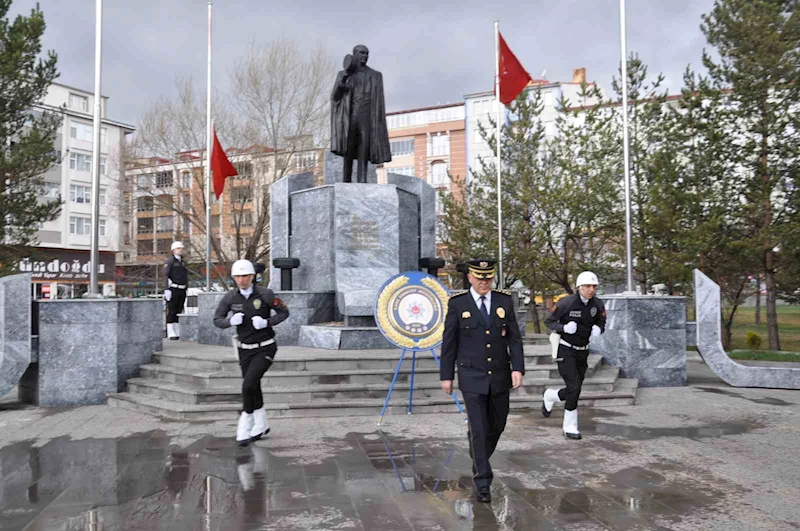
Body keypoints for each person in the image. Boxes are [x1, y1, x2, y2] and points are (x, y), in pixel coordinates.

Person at [440, 259, 524, 503]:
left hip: (499, 375)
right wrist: (447, 375)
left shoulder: (504, 301)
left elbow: (515, 339)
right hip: (471, 376)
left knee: (497, 425)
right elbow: (449, 343)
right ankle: (483, 480)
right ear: (470, 278)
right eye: (480, 277)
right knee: (478, 428)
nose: (484, 282)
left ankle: (478, 455)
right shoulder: (458, 304)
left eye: (488, 278)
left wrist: (517, 368)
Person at [213, 259, 290, 446]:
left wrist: (267, 322)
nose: (242, 280)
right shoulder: (230, 298)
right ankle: (262, 424)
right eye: (238, 276)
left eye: (245, 276)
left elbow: (284, 312)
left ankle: (245, 423)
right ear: (233, 278)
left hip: (266, 346)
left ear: (252, 276)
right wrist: (230, 322)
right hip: (244, 349)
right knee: (253, 386)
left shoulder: (266, 294)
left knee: (248, 385)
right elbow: (217, 319)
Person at [542, 271, 606, 440]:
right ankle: (569, 426)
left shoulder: (597, 305)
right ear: (579, 287)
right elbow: (549, 321)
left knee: (574, 388)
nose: (591, 290)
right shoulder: (566, 303)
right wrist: (563, 328)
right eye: (587, 286)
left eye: (594, 286)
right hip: (566, 349)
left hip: (583, 350)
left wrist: (599, 329)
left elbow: (601, 321)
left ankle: (551, 396)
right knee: (575, 387)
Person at [330, 44, 392, 183]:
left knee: (364, 147)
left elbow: (379, 101)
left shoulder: (375, 76)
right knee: (348, 147)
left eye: (367, 53)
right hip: (350, 115)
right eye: (361, 53)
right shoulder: (343, 74)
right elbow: (335, 97)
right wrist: (344, 79)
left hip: (367, 115)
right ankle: (346, 180)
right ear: (354, 55)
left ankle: (362, 180)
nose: (365, 56)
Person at [163, 241, 188, 340]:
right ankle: (170, 331)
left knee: (179, 310)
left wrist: (186, 287)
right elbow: (165, 275)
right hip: (173, 288)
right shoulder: (170, 261)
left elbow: (185, 276)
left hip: (182, 288)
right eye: (178, 248)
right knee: (172, 310)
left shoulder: (183, 262)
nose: (180, 250)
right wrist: (166, 289)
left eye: (181, 248)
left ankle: (177, 330)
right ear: (173, 250)